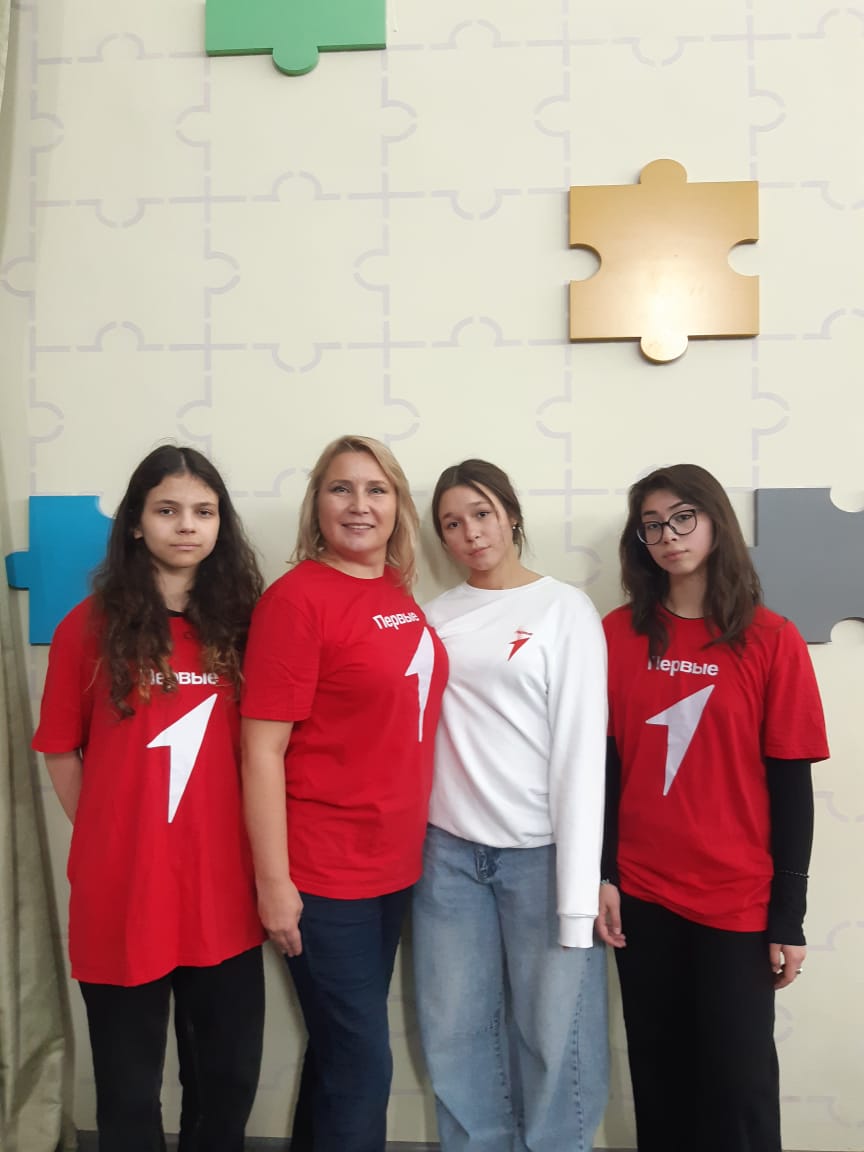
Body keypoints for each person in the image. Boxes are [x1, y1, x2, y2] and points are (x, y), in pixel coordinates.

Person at [32, 445, 267, 1152]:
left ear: (221, 523)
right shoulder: (87, 628)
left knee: (226, 1084)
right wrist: (114, 836)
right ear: (136, 522)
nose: (186, 525)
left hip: (224, 892)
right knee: (129, 1093)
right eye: (167, 510)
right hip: (124, 895)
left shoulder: (250, 627)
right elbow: (59, 751)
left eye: (203, 511)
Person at [597, 464, 829, 1152]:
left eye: (682, 518)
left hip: (737, 900)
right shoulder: (615, 634)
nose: (668, 536)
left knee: (739, 1088)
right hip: (643, 895)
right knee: (660, 1078)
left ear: (715, 522)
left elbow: (791, 786)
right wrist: (603, 874)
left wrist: (789, 914)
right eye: (651, 526)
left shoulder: (772, 638)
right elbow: (603, 769)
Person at [240, 434, 448, 1152]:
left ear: (398, 506)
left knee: (339, 1053)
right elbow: (261, 751)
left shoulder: (395, 592)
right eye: (341, 488)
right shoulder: (295, 601)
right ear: (317, 505)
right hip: (324, 874)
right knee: (362, 1065)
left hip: (393, 866)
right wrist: (274, 883)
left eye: (376, 490)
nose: (360, 505)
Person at [412, 459, 609, 1152]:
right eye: (452, 523)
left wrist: (579, 895)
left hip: (542, 856)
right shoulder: (432, 618)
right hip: (447, 857)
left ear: (511, 515)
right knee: (454, 1034)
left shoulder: (564, 609)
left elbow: (581, 750)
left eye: (482, 514)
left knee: (556, 1036)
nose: (470, 533)